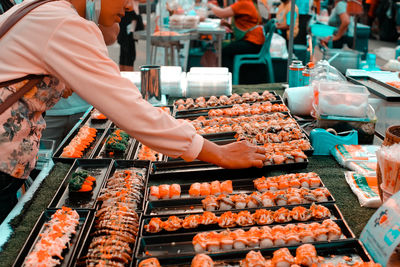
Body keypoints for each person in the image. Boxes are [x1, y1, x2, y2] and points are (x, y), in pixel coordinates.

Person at [0, 0, 266, 221]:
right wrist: (216, 152)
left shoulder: (45, 10)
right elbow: (128, 108)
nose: (130, 7)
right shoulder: (64, 25)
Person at [208, 0, 265, 75]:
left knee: (224, 51)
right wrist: (226, 24)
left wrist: (210, 5)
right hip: (255, 41)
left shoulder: (244, 3)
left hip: (252, 43)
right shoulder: (249, 3)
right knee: (224, 48)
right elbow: (243, 26)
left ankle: (229, 78)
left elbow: (221, 13)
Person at [118, 0, 144, 71]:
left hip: (126, 17)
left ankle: (123, 75)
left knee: (124, 51)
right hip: (129, 17)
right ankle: (128, 76)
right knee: (128, 51)